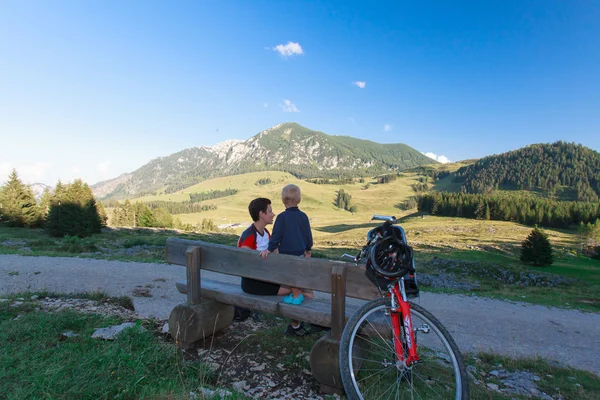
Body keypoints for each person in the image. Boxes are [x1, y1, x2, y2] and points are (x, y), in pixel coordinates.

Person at [259, 184, 321, 336]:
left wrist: (269, 248)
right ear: (299, 200)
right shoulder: (303, 216)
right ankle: (311, 319)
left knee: (294, 290)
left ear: (283, 200)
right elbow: (308, 236)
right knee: (304, 288)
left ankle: (295, 324)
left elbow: (276, 237)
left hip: (286, 260)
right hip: (300, 257)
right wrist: (308, 249)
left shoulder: (281, 218)